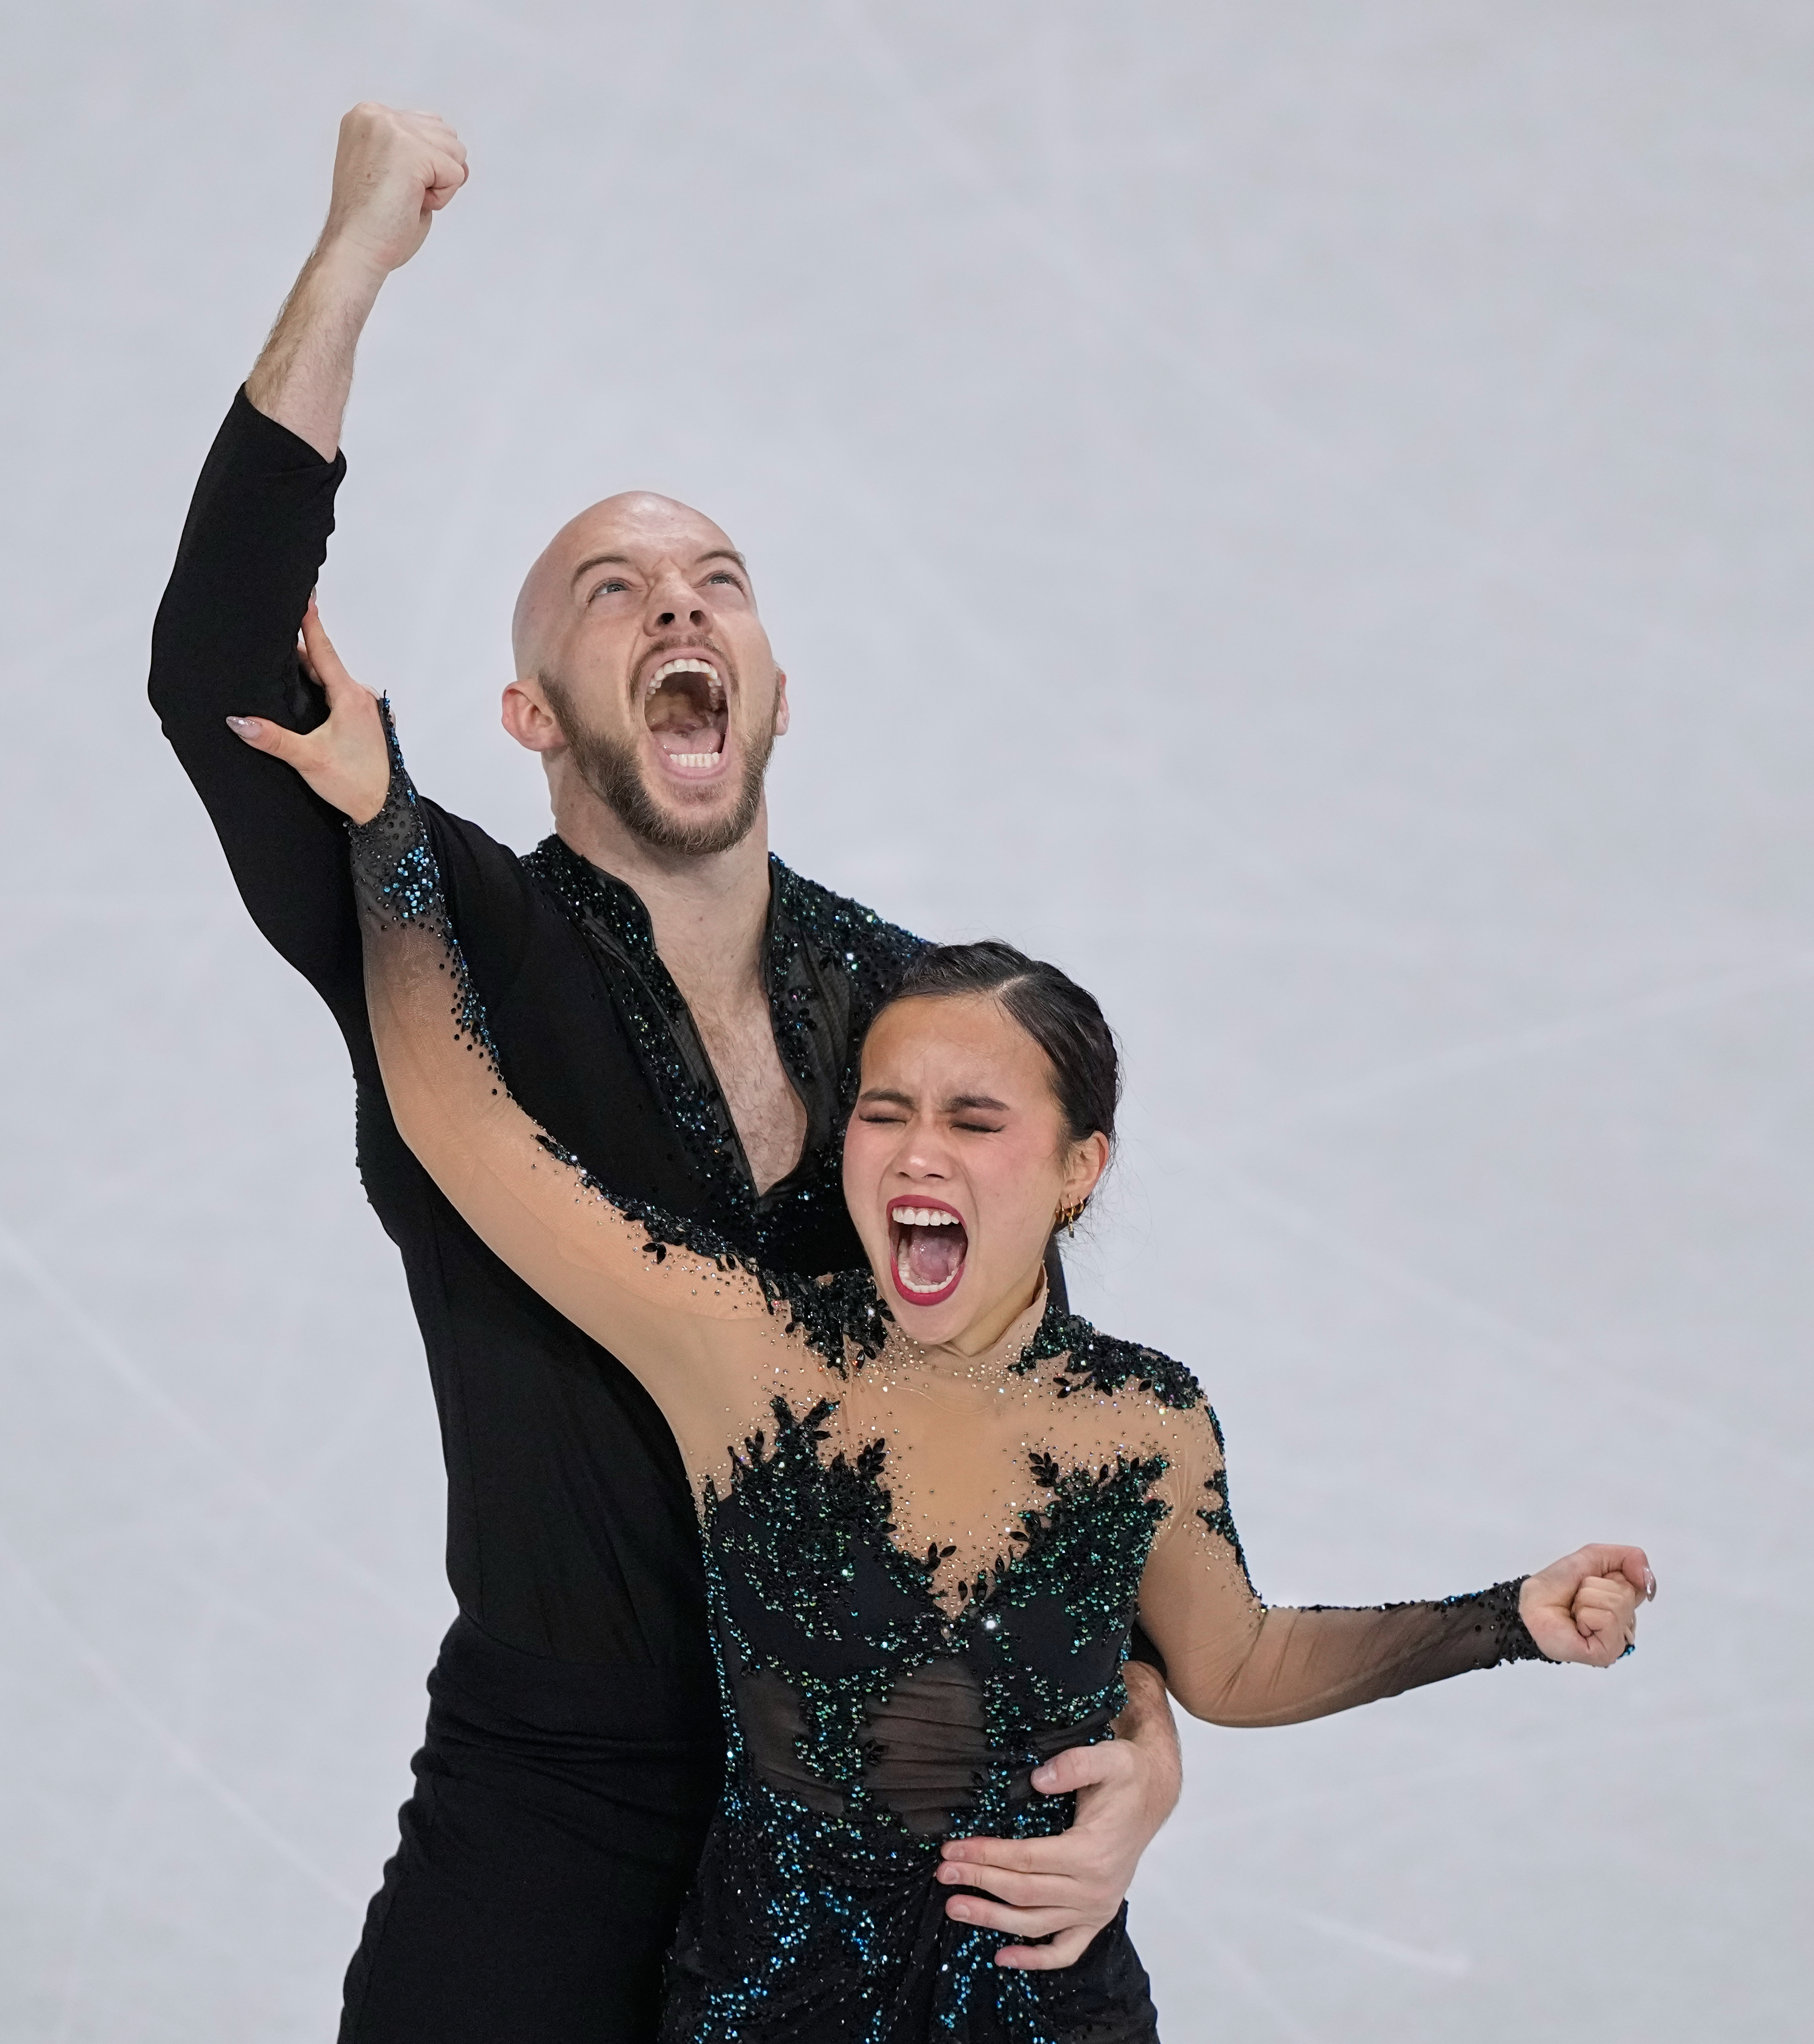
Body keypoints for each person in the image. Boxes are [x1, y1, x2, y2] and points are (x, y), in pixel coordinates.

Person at [149, 105, 1182, 2040]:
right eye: (613, 594)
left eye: (716, 580)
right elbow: (217, 649)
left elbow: (1030, 1421)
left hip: (902, 1810)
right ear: (533, 713)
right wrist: (356, 257)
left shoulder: (911, 1013)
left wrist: (1143, 1750)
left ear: (777, 686)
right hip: (560, 1808)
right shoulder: (443, 936)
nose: (679, 607)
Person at [280, 668, 1657, 2039]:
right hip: (771, 2007)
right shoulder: (752, 1355)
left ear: (1078, 1168)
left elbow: (1234, 1661)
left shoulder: (1142, 1422)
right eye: (885, 1111)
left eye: (975, 1117)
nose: (918, 1149)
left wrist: (1506, 1621)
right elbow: (466, 1128)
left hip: (1047, 2014)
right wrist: (386, 826)